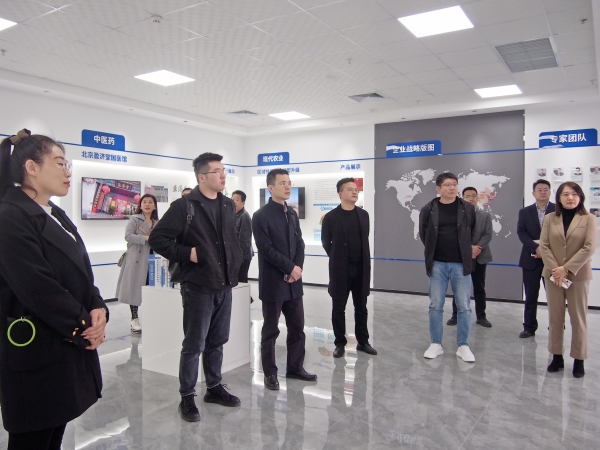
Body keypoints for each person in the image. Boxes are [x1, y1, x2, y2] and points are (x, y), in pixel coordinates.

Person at [0, 129, 108, 449]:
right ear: (31, 167)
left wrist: (98, 305)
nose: (67, 171)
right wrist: (85, 325)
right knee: (33, 435)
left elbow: (80, 270)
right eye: (60, 163)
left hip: (62, 345)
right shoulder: (10, 216)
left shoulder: (54, 212)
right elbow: (37, 287)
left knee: (54, 432)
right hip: (35, 348)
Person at [149, 152, 243, 423]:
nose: (223, 175)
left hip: (223, 284)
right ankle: (187, 396)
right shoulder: (185, 206)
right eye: (217, 171)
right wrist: (186, 253)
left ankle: (214, 387)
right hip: (198, 286)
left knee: (218, 340)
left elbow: (229, 241)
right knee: (194, 344)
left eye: (224, 171)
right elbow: (157, 238)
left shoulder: (227, 204)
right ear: (202, 177)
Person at [252, 168, 317, 391]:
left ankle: (295, 367)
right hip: (274, 282)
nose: (288, 186)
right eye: (283, 183)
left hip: (293, 283)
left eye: (289, 182)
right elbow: (266, 249)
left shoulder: (292, 213)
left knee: (297, 328)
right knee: (270, 330)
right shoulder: (260, 216)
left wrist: (297, 268)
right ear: (270, 188)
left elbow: (300, 243)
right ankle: (270, 372)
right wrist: (290, 268)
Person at [540, 182, 597, 378]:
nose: (570, 198)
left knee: (578, 318)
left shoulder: (589, 218)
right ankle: (557, 356)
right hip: (553, 276)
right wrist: (556, 270)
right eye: (565, 194)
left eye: (574, 194)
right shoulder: (550, 218)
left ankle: (579, 359)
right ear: (559, 198)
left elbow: (589, 247)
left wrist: (566, 269)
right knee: (555, 317)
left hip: (578, 276)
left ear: (580, 197)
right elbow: (544, 245)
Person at [418, 173, 476, 362]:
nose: (452, 188)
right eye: (447, 185)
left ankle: (463, 346)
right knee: (435, 305)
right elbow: (424, 234)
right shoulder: (428, 209)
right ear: (438, 188)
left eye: (454, 184)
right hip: (437, 263)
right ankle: (436, 343)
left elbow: (472, 230)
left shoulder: (467, 208)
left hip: (461, 263)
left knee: (464, 306)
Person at [321, 177, 376, 358]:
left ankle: (363, 341)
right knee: (338, 308)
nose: (354, 192)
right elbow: (326, 242)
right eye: (350, 189)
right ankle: (339, 343)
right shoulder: (331, 217)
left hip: (361, 268)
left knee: (361, 307)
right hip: (340, 269)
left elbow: (364, 238)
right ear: (340, 193)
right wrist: (337, 257)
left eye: (356, 190)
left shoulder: (363, 215)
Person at [447, 187, 493, 328]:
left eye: (473, 196)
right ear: (462, 199)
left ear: (478, 198)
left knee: (479, 287)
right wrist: (469, 249)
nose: (471, 199)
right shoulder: (457, 216)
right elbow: (455, 236)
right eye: (467, 196)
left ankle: (481, 316)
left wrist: (477, 248)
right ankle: (455, 315)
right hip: (461, 257)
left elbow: (488, 234)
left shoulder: (485, 215)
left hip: (480, 256)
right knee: (459, 288)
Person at [517, 179, 555, 338]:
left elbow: (562, 234)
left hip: (553, 260)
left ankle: (556, 325)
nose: (543, 192)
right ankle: (529, 327)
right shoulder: (525, 212)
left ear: (550, 192)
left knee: (554, 296)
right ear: (533, 193)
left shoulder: (557, 210)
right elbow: (521, 232)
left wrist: (544, 250)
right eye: (539, 190)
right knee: (531, 295)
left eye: (546, 189)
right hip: (530, 259)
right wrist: (536, 248)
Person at [115, 194, 159, 333]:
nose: (147, 204)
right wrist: (145, 238)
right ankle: (134, 318)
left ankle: (152, 316)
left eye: (150, 202)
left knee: (151, 289)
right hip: (136, 259)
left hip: (152, 259)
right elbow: (128, 236)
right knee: (134, 289)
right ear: (140, 205)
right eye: (144, 202)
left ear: (154, 206)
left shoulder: (157, 222)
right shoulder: (135, 219)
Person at [231, 190, 254, 302]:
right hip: (235, 256)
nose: (234, 202)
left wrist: (239, 258)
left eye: (237, 200)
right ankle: (243, 300)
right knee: (237, 281)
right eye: (232, 199)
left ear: (243, 202)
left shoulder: (244, 216)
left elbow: (244, 241)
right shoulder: (232, 215)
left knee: (241, 280)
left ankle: (245, 301)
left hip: (243, 257)